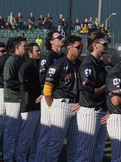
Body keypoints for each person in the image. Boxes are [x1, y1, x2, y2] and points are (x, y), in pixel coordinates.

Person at [44, 35, 83, 162]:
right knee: (55, 145)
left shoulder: (81, 65)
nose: (81, 49)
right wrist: (53, 107)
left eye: (81, 46)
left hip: (76, 107)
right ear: (69, 48)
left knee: (74, 147)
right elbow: (47, 90)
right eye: (78, 47)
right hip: (61, 104)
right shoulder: (58, 65)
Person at [77, 31, 110, 162]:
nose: (107, 45)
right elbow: (89, 93)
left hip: (100, 111)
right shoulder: (88, 64)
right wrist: (106, 86)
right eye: (105, 43)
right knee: (85, 154)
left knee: (98, 154)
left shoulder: (99, 63)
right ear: (95, 45)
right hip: (90, 112)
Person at [35, 31, 65, 162]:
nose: (62, 39)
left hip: (60, 98)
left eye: (62, 36)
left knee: (55, 134)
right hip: (48, 96)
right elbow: (42, 77)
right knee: (46, 133)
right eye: (59, 37)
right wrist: (44, 92)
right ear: (52, 41)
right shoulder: (47, 56)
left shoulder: (64, 56)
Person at [16, 42, 42, 162]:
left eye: (39, 50)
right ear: (30, 53)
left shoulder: (39, 66)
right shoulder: (26, 66)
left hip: (38, 106)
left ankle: (32, 159)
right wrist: (42, 89)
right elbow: (25, 86)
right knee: (26, 137)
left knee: (37, 137)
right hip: (29, 105)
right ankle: (20, 159)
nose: (39, 52)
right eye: (37, 51)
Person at [3, 37, 27, 162]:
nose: (26, 48)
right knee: (11, 130)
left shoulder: (22, 59)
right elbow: (8, 82)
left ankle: (16, 156)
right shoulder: (12, 60)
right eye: (24, 46)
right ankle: (7, 157)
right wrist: (24, 83)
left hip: (19, 98)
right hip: (12, 99)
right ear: (17, 47)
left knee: (19, 131)